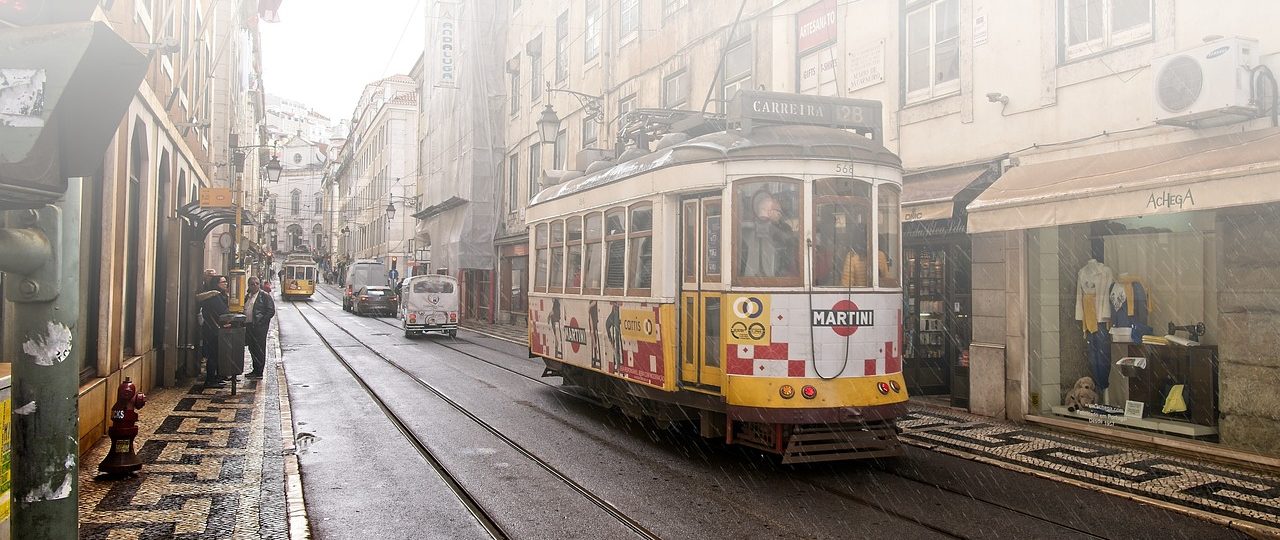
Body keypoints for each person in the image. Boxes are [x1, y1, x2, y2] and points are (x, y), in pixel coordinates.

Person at [197, 274, 230, 388]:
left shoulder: (216, 295)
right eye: (223, 282)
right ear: (216, 284)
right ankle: (211, 379)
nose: (225, 284)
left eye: (226, 282)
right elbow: (223, 311)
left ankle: (215, 377)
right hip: (213, 330)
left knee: (215, 354)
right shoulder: (214, 296)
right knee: (213, 355)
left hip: (212, 329)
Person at [243, 276, 275, 379]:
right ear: (249, 285)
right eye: (252, 284)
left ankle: (259, 371)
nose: (255, 285)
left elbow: (271, 311)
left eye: (257, 283)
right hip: (249, 326)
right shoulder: (248, 296)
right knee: (252, 348)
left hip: (259, 327)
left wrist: (261, 322)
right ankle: (255, 369)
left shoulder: (264, 296)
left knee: (259, 348)